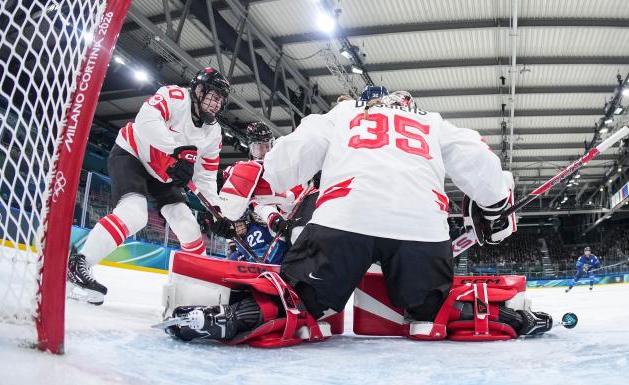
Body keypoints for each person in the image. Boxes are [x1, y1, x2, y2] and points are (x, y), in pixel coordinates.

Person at [162, 90, 551, 344]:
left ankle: (234, 315)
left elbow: (288, 160)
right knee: (431, 310)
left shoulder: (345, 113)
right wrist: (496, 207)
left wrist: (261, 183)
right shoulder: (431, 120)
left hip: (344, 222)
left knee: (301, 303)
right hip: (423, 232)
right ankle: (498, 315)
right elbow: (481, 161)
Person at [67, 68, 235, 305]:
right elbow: (145, 121)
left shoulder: (214, 133)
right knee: (134, 215)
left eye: (221, 100)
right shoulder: (174, 96)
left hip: (164, 173)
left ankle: (198, 286)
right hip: (132, 154)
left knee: (188, 226)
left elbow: (205, 178)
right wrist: (175, 152)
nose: (217, 104)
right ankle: (78, 263)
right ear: (199, 90)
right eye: (214, 96)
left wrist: (217, 212)